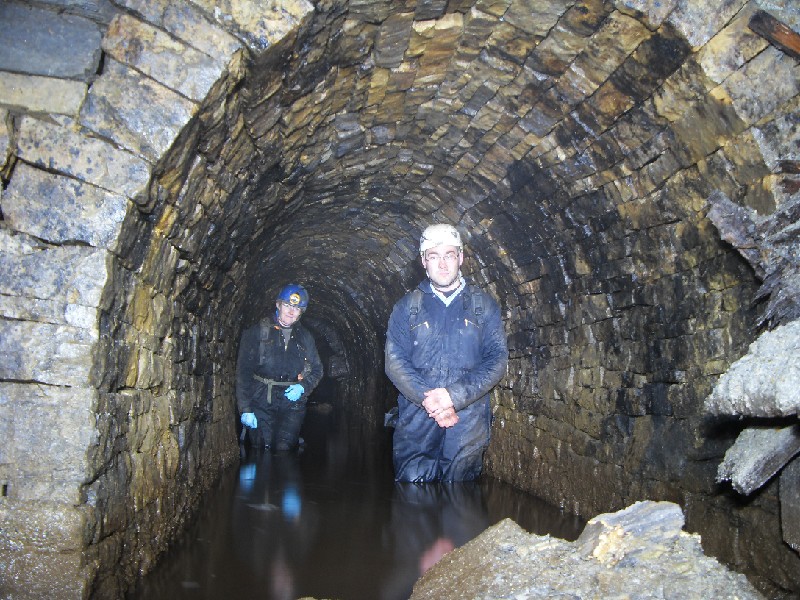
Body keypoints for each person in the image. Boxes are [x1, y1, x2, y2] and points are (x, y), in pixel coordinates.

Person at [385, 224, 508, 482]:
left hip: (468, 416)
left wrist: (453, 396)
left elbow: (496, 359)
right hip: (418, 413)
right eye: (434, 256)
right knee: (413, 488)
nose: (442, 264)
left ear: (461, 258)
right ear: (423, 262)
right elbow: (394, 362)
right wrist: (430, 400)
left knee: (460, 491)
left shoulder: (483, 306)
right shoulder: (407, 308)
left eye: (449, 255)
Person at [236, 284, 323, 452]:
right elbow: (243, 373)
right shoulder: (255, 333)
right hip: (261, 400)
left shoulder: (305, 337)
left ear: (301, 313)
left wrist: (302, 387)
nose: (291, 311)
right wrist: (245, 408)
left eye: (297, 308)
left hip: (292, 404)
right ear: (278, 305)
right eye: (288, 305)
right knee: (262, 450)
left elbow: (317, 370)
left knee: (285, 450)